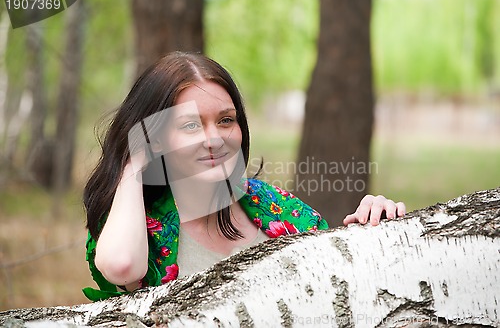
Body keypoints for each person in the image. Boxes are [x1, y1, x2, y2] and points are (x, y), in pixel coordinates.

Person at [82, 52, 406, 301]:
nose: (215, 138)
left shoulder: (277, 208)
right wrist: (132, 161)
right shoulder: (136, 226)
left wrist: (371, 233)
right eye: (190, 125)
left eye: (225, 120)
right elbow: (122, 267)